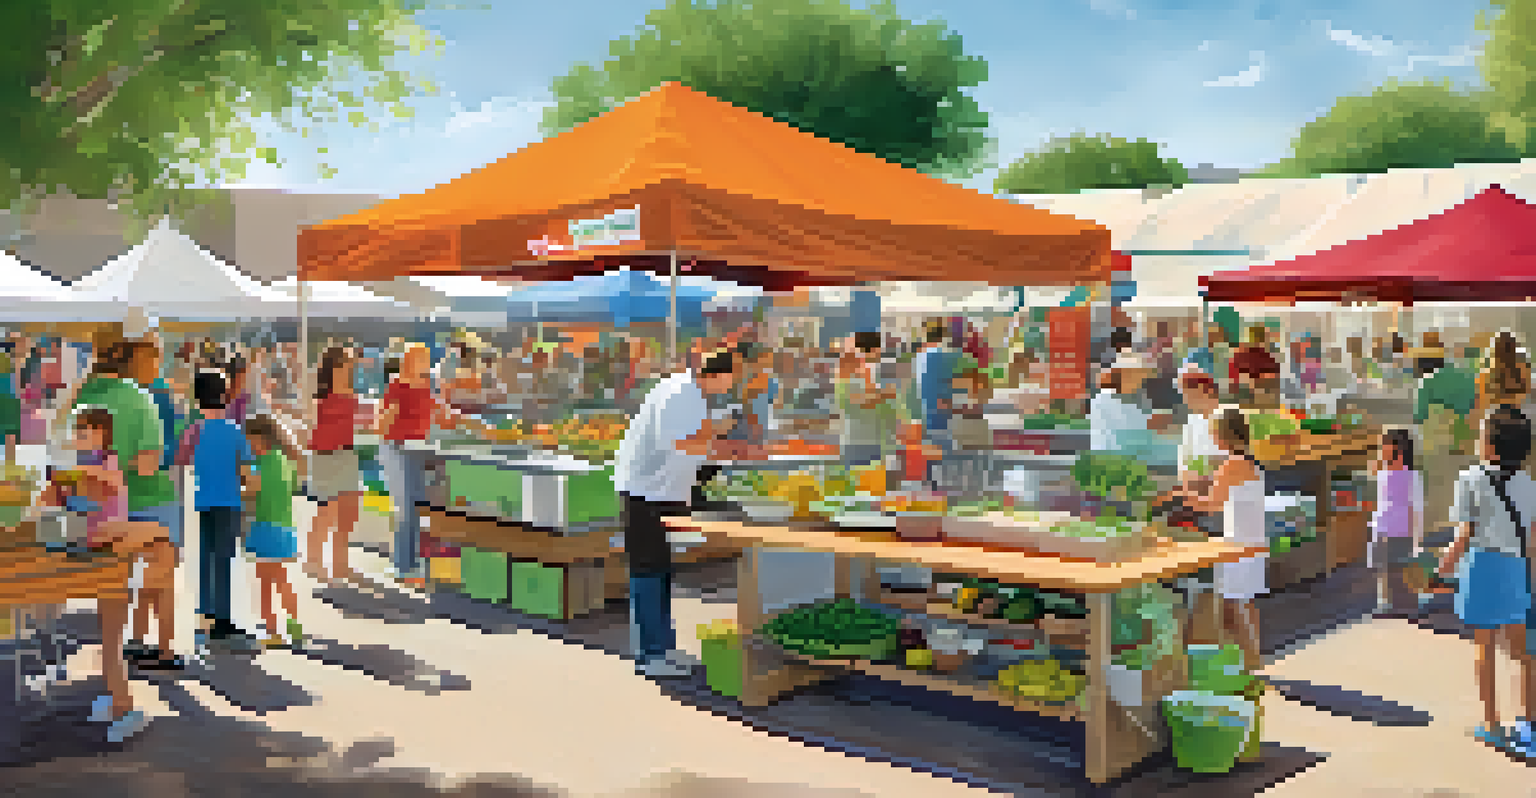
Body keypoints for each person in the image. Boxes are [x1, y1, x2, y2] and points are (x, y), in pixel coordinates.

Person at [614, 348, 739, 678]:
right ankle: (650, 655)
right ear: (718, 374)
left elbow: (690, 447)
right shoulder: (680, 392)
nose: (731, 386)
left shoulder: (691, 393)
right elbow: (677, 442)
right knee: (648, 569)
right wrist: (719, 432)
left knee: (660, 570)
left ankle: (663, 648)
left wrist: (712, 462)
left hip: (661, 492)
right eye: (731, 378)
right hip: (646, 492)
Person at [62, 329, 183, 666]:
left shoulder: (80, 395)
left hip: (104, 509)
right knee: (162, 579)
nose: (158, 362)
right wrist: (119, 465)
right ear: (132, 355)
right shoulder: (139, 397)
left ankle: (131, 644)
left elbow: (70, 456)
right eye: (155, 355)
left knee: (119, 580)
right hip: (150, 497)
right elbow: (149, 464)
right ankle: (164, 651)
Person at [1435, 404, 1536, 752]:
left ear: (1491, 446)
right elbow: (1533, 537)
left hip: (1481, 567)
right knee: (1525, 653)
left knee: (1485, 647)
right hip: (1515, 569)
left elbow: (1464, 533)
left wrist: (1443, 566)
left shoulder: (1470, 479)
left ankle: (1491, 724)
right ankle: (1528, 725)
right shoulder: (1529, 486)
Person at [375, 343, 483, 587]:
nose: (424, 363)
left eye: (425, 359)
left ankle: (414, 564)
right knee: (406, 508)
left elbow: (444, 415)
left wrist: (482, 428)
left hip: (416, 450)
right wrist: (391, 423)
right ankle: (403, 567)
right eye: (419, 359)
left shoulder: (425, 386)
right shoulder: (397, 385)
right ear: (407, 361)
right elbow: (381, 425)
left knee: (419, 506)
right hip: (396, 449)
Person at [1175, 408, 1268, 672]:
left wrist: (1183, 493)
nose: (1212, 436)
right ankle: (1251, 661)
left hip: (1240, 545)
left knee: (1232, 611)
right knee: (1244, 605)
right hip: (1251, 542)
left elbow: (1211, 505)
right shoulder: (1248, 460)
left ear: (1223, 434)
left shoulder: (1233, 464)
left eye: (1214, 431)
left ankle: (1249, 666)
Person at [176, 370, 256, 642]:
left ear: (197, 398)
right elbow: (250, 476)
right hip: (228, 502)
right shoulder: (234, 430)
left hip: (200, 502)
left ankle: (203, 617)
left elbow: (180, 458)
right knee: (223, 560)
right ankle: (222, 620)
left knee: (204, 558)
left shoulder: (194, 430)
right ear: (224, 396)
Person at [243, 415, 307, 650]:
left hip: (266, 527)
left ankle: (271, 631)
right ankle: (294, 626)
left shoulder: (258, 465)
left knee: (265, 582)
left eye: (248, 440)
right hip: (286, 527)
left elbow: (251, 492)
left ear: (259, 439)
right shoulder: (284, 460)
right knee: (282, 580)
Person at [306, 346, 365, 585]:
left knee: (348, 514)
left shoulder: (352, 393)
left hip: (347, 455)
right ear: (333, 366)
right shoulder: (320, 395)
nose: (350, 367)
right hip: (324, 457)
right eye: (346, 363)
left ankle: (341, 565)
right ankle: (314, 561)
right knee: (326, 513)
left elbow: (355, 424)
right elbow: (311, 426)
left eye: (351, 364)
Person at [1368, 428, 1424, 617]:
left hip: (1402, 530)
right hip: (1381, 527)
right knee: (1382, 567)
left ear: (1398, 449)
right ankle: (1384, 602)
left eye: (1386, 444)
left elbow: (1417, 507)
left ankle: (1408, 602)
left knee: (1401, 568)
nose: (1382, 448)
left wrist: (1417, 538)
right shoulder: (1382, 472)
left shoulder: (1412, 476)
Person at [837, 331, 904, 468]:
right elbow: (852, 404)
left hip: (878, 441)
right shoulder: (847, 373)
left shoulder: (870, 372)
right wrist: (883, 395)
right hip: (859, 442)